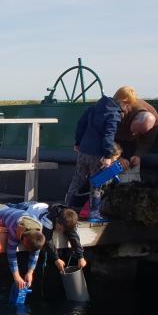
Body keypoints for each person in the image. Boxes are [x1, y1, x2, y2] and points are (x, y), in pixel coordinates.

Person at [66, 86, 132, 217]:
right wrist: (108, 155)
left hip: (83, 150)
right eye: (128, 105)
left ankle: (66, 207)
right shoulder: (113, 114)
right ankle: (94, 212)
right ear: (124, 101)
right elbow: (108, 136)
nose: (128, 108)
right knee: (97, 183)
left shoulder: (94, 107)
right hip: (97, 154)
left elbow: (81, 124)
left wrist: (78, 142)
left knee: (78, 178)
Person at [9, 201, 86, 273]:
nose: (62, 232)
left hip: (41, 206)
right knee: (9, 207)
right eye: (61, 229)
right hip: (28, 208)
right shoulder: (47, 220)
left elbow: (74, 236)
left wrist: (80, 257)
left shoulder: (67, 220)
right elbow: (47, 240)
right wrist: (56, 259)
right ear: (58, 222)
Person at [0, 204, 45, 289]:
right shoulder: (15, 228)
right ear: (23, 238)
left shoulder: (38, 232)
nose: (26, 249)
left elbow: (35, 254)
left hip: (8, 209)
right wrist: (16, 276)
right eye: (26, 247)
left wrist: (30, 272)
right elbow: (11, 254)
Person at [115, 87, 158, 169]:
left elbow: (147, 141)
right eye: (135, 130)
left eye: (140, 132)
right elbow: (106, 137)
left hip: (132, 144)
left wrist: (138, 155)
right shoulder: (120, 112)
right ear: (134, 119)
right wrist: (117, 157)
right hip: (114, 139)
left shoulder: (154, 119)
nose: (135, 133)